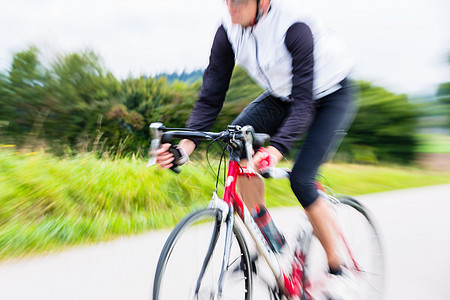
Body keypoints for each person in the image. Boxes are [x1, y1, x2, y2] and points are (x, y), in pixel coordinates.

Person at [156, 0, 356, 296]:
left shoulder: (294, 26)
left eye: (239, 1)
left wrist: (275, 150)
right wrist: (184, 148)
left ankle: (338, 270)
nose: (231, 8)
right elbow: (210, 98)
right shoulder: (228, 31)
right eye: (227, 0)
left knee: (301, 179)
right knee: (235, 143)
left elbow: (303, 105)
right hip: (282, 95)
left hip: (329, 95)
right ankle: (269, 236)